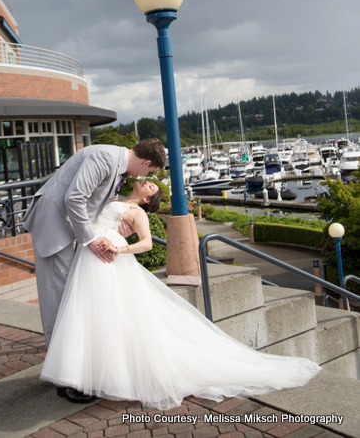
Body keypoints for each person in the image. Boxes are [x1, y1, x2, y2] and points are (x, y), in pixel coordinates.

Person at [40, 180, 321, 410]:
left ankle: (95, 378)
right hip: (88, 258)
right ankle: (80, 375)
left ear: (148, 202)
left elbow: (148, 244)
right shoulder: (114, 196)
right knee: (88, 313)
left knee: (106, 313)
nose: (149, 183)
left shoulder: (136, 212)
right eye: (149, 183)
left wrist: (119, 249)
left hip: (108, 260)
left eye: (152, 189)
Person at [23, 138, 166, 353]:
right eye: (148, 172)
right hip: (56, 227)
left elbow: (96, 201)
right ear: (146, 162)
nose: (143, 177)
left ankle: (70, 362)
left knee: (69, 296)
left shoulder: (115, 162)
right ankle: (60, 372)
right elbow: (75, 198)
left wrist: (116, 223)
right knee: (57, 298)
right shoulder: (105, 158)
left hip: (69, 228)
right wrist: (90, 239)